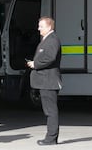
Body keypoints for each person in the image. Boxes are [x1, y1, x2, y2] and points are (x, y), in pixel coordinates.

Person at [26, 17, 62, 146]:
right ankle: (50, 137)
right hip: (45, 81)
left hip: (48, 80)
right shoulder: (46, 40)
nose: (38, 29)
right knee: (49, 110)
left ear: (49, 27)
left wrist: (36, 64)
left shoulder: (52, 40)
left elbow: (50, 58)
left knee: (51, 111)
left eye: (41, 26)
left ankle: (51, 138)